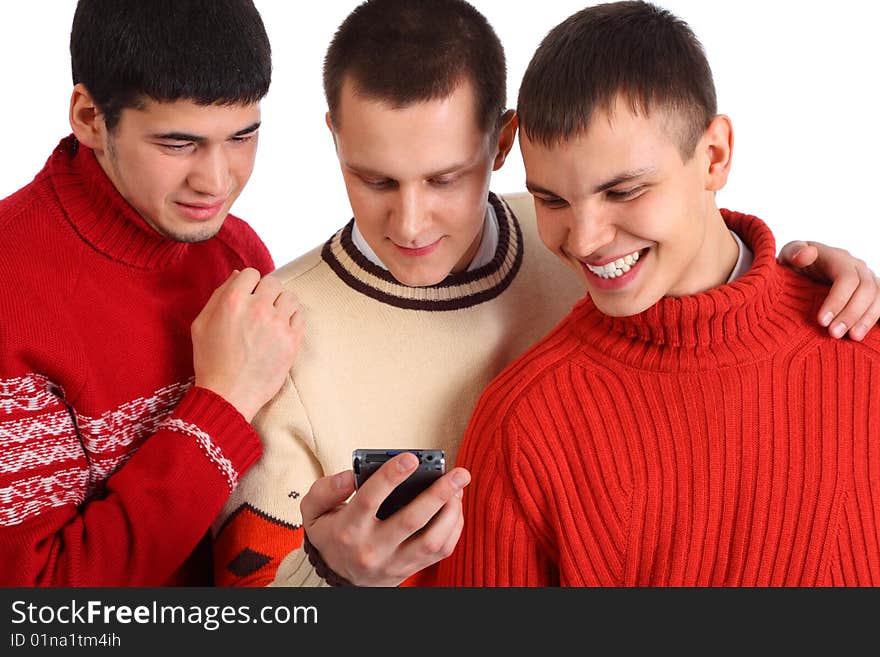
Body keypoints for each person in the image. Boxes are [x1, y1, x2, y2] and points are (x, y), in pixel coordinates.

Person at [211, 0, 880, 587]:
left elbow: (686, 236)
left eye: (446, 179)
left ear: (503, 144)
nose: (410, 222)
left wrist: (810, 277)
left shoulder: (576, 238)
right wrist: (333, 574)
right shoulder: (280, 337)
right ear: (334, 140)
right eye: (376, 180)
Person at [435, 0, 880, 586]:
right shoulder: (525, 424)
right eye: (552, 200)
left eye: (623, 192)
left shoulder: (859, 345)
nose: (586, 239)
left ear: (714, 155)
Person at [0, 0, 302, 586]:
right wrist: (223, 404)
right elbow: (39, 608)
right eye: (178, 144)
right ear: (89, 116)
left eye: (243, 136)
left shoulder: (235, 254)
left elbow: (265, 510)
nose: (216, 181)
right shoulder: (11, 299)